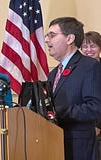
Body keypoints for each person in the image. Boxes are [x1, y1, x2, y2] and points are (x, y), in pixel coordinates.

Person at [45, 17, 101, 160]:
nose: (46, 40)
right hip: (54, 145)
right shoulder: (53, 73)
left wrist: (59, 112)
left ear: (69, 38)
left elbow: (95, 107)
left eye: (52, 35)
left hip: (79, 149)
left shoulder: (89, 66)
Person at [81, 31, 101, 160]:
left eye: (93, 46)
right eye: (84, 47)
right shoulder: (79, 69)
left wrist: (99, 125)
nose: (88, 50)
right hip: (84, 128)